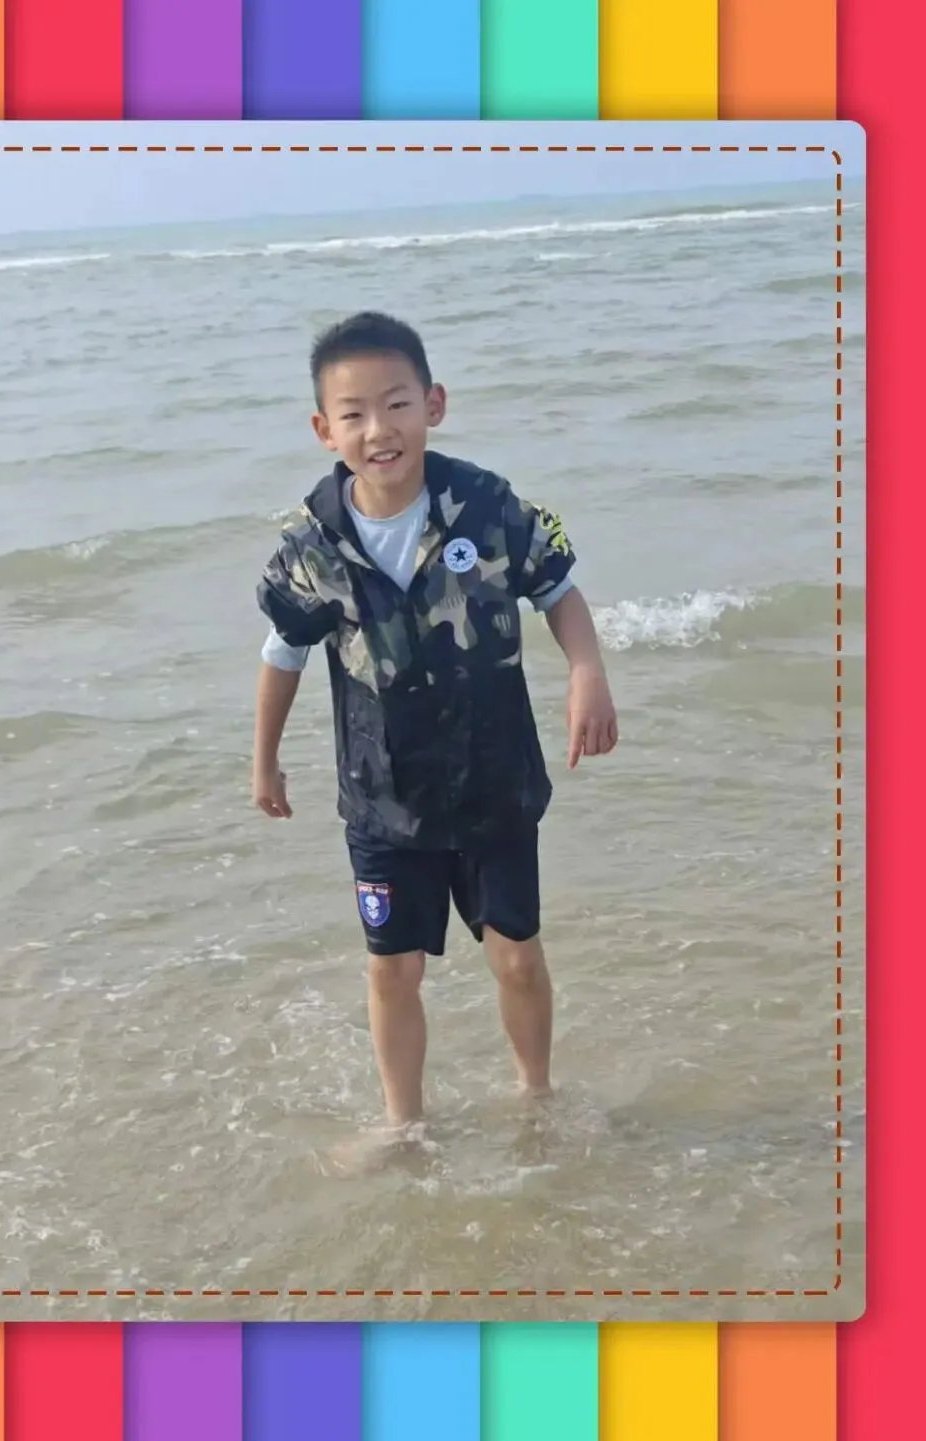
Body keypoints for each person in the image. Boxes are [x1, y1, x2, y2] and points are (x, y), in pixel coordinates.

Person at [252, 311, 617, 1134]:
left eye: (397, 404)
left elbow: (557, 590)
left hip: (493, 782)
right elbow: (284, 649)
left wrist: (587, 671)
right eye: (353, 413)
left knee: (515, 954)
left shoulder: (486, 505)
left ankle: (535, 1096)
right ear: (324, 429)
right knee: (393, 970)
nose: (378, 429)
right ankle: (402, 1124)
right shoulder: (312, 542)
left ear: (434, 404)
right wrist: (264, 759)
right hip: (384, 797)